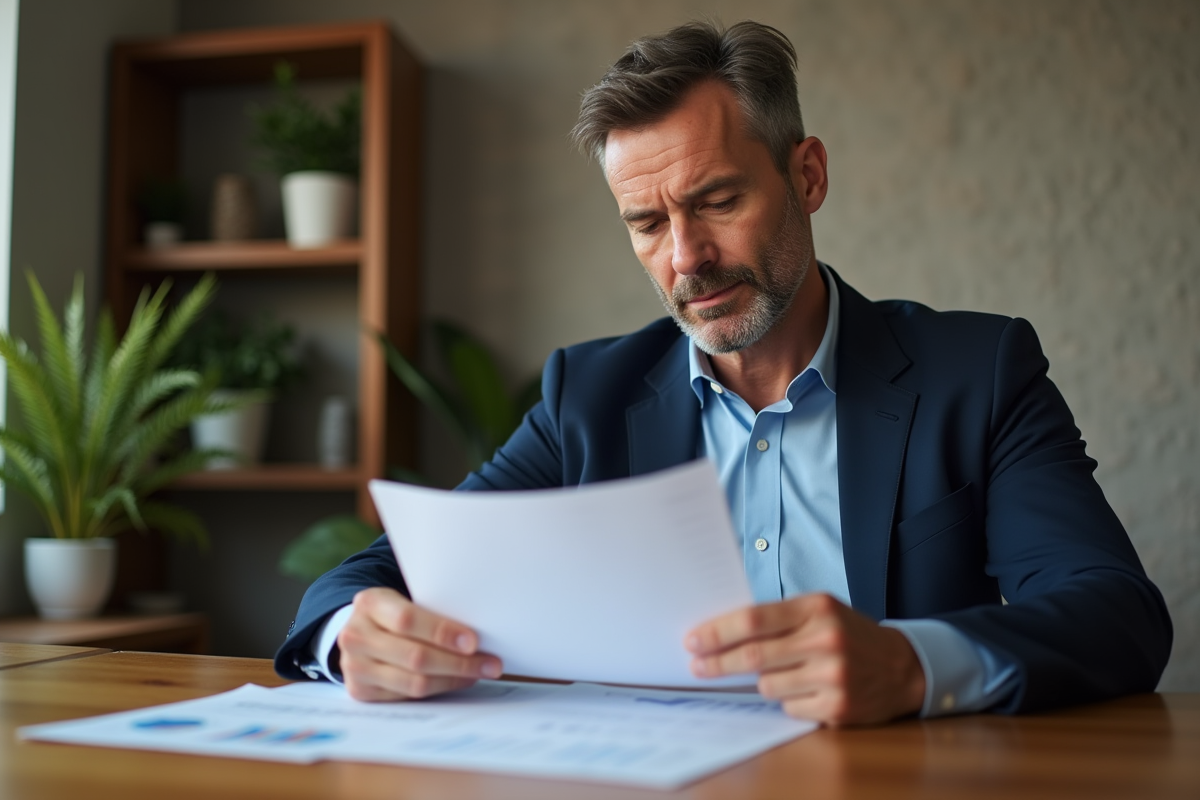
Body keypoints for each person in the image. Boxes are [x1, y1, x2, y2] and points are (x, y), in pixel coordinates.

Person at [275, 20, 1171, 726]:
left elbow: (1116, 615)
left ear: (807, 175)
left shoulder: (978, 373)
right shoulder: (585, 400)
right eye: (646, 223)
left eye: (718, 201)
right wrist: (353, 632)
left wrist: (910, 663)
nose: (686, 259)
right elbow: (376, 572)